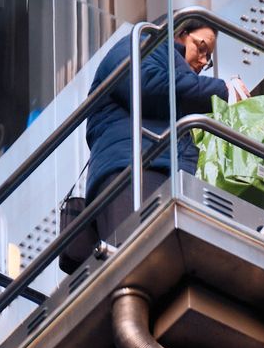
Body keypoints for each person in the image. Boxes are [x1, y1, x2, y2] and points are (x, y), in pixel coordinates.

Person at [83, 21, 244, 241]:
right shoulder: (138, 43)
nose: (204, 60)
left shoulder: (182, 88)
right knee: (136, 253)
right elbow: (147, 85)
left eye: (209, 58)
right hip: (132, 167)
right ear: (180, 33)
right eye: (202, 48)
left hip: (163, 169)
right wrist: (221, 91)